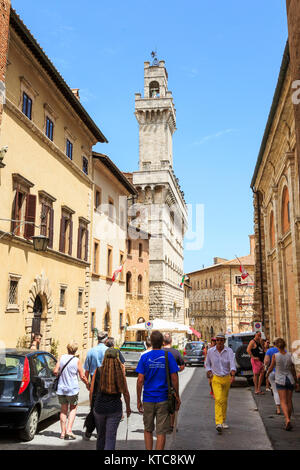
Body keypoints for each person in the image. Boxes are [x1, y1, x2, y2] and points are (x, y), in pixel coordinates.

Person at [136, 330, 181, 450]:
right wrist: (177, 395)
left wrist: (138, 400)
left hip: (148, 398)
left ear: (150, 342)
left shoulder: (145, 357)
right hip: (163, 398)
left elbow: (140, 380)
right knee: (161, 431)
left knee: (148, 429)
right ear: (162, 342)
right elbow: (174, 378)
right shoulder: (168, 356)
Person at [90, 348, 132, 450]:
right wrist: (128, 408)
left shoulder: (98, 370)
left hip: (99, 408)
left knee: (101, 436)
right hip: (115, 409)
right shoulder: (120, 372)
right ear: (117, 358)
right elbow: (126, 392)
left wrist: (92, 406)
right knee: (110, 438)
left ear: (105, 357)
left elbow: (92, 391)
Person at [53, 341, 89, 440]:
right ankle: (69, 430)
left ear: (67, 348)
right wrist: (87, 384)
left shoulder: (61, 357)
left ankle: (62, 433)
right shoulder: (77, 360)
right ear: (75, 350)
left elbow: (55, 371)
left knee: (63, 410)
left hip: (61, 388)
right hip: (72, 389)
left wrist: (61, 374)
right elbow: (82, 376)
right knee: (73, 408)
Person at [205, 333, 236, 433]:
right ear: (215, 341)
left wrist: (232, 373)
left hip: (226, 377)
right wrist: (209, 372)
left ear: (224, 341)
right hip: (216, 378)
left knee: (224, 400)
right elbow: (207, 364)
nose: (219, 342)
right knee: (218, 399)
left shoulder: (229, 351)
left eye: (221, 340)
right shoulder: (210, 351)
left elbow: (232, 363)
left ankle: (223, 420)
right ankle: (218, 422)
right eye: (217, 340)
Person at [266, 337, 298, 431]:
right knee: (289, 401)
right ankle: (289, 418)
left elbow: (271, 367)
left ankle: (287, 419)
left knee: (283, 401)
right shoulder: (290, 355)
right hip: (290, 379)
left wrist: (267, 374)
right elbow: (293, 369)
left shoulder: (275, 356)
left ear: (277, 346)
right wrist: (296, 381)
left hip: (280, 379)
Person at [162, 333, 185, 431]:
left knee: (162, 404)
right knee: (173, 403)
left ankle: (163, 424)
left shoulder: (160, 352)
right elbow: (183, 366)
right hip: (172, 382)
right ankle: (172, 425)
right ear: (171, 341)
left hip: (161, 381)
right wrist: (176, 370)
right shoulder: (175, 352)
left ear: (163, 342)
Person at [264, 341, 280, 414]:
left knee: (275, 391)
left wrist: (266, 370)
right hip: (281, 373)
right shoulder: (284, 351)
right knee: (283, 391)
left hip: (272, 372)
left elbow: (266, 362)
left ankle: (278, 409)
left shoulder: (269, 351)